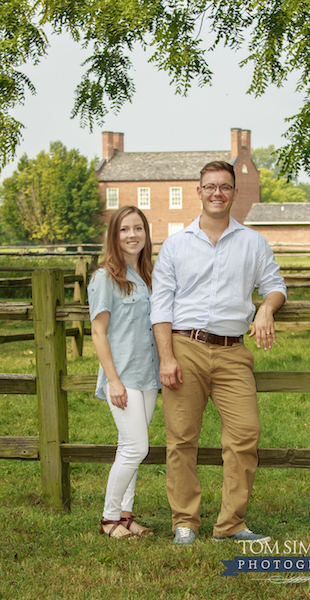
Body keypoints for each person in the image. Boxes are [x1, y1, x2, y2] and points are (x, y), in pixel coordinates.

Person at [150, 161, 287, 545]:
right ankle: (185, 523)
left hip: (232, 352)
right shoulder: (177, 244)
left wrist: (265, 308)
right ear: (199, 191)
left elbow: (275, 284)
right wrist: (167, 357)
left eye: (224, 187)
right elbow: (160, 304)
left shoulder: (253, 242)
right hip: (184, 348)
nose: (217, 193)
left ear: (233, 192)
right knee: (181, 438)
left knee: (245, 434)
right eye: (210, 187)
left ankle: (231, 525)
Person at [88, 205, 160, 539]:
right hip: (123, 379)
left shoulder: (148, 276)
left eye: (138, 229)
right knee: (136, 448)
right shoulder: (105, 277)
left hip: (148, 376)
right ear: (114, 236)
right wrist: (113, 381)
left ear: (146, 234)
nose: (132, 235)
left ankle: (125, 517)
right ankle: (108, 521)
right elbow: (98, 333)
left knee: (128, 448)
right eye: (124, 230)